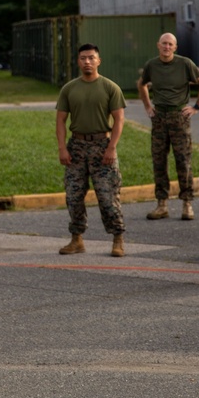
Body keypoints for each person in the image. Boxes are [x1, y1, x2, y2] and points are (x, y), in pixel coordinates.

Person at [55, 43, 127, 258]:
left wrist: (111, 147)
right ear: (78, 61)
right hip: (76, 147)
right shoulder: (69, 88)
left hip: (102, 146)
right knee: (73, 195)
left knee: (107, 197)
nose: (87, 61)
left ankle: (117, 238)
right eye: (83, 58)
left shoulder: (110, 87)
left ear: (99, 60)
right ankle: (76, 239)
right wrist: (62, 148)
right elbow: (60, 120)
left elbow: (119, 119)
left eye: (91, 58)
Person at [137, 33, 199, 220]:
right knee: (159, 161)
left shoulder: (185, 64)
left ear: (175, 47)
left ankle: (187, 204)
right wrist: (147, 106)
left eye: (170, 44)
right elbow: (142, 84)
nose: (167, 47)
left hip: (180, 117)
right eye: (164, 44)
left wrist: (196, 107)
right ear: (158, 45)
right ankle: (162, 204)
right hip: (159, 116)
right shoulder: (151, 65)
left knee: (183, 161)